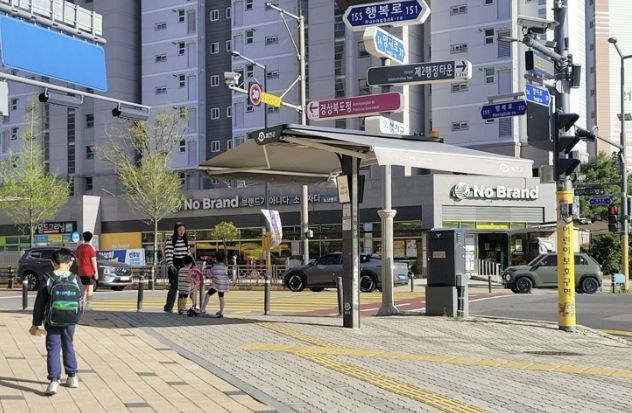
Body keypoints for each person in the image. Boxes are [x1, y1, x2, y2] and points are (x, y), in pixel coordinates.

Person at [29, 248, 82, 395]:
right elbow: (80, 301)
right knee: (68, 345)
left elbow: (40, 303)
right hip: (70, 320)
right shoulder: (75, 278)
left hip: (52, 321)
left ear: (53, 263)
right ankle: (72, 377)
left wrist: (35, 324)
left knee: (53, 348)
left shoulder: (48, 278)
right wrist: (76, 318)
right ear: (69, 262)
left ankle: (54, 381)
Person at [163, 222, 190, 313]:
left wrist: (190, 265)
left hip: (184, 266)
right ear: (176, 230)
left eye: (183, 230)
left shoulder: (186, 241)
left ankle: (181, 307)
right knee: (174, 287)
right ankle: (168, 307)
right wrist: (171, 265)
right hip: (175, 266)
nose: (182, 231)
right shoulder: (170, 240)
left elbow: (188, 254)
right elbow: (168, 254)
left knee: (183, 288)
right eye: (180, 230)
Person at [201, 251, 230, 318]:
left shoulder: (215, 267)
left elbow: (209, 274)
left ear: (216, 258)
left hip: (217, 284)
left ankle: (203, 309)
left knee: (208, 294)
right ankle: (221, 312)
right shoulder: (225, 266)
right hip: (223, 284)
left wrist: (204, 271)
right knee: (221, 297)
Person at [74, 231, 98, 310]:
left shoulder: (79, 247)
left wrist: (80, 266)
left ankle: (81, 305)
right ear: (91, 238)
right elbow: (93, 261)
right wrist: (96, 272)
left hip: (81, 271)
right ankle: (88, 306)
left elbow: (77, 260)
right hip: (89, 271)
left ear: (83, 238)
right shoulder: (91, 248)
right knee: (90, 289)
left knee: (83, 289)